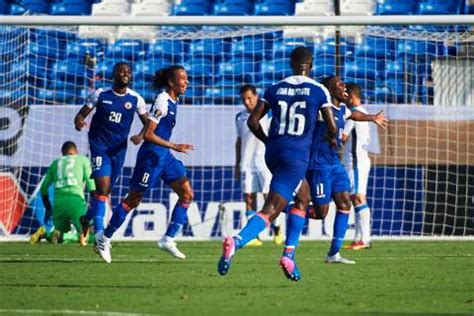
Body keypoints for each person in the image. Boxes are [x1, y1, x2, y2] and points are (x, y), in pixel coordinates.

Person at [217, 47, 339, 281]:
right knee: (271, 208)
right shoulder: (318, 90)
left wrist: (268, 140)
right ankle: (237, 240)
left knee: (303, 196)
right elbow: (332, 128)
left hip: (272, 153)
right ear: (310, 64)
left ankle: (289, 255)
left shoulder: (274, 88)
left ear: (291, 63)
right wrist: (326, 136)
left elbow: (253, 122)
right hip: (296, 156)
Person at [96, 65, 194, 264]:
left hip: (164, 158)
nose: (186, 82)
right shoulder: (162, 100)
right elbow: (151, 133)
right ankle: (104, 238)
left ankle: (168, 239)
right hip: (150, 159)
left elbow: (148, 128)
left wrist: (141, 136)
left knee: (187, 194)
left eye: (186, 78)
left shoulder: (173, 101)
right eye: (182, 78)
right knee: (132, 200)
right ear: (171, 82)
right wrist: (173, 145)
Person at [306, 76, 388, 264]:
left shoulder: (343, 109)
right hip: (318, 166)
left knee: (345, 204)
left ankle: (334, 253)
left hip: (335, 164)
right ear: (330, 90)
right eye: (339, 84)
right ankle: (287, 208)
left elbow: (353, 115)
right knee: (321, 213)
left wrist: (372, 118)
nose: (344, 86)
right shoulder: (320, 110)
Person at [73, 62, 148, 246]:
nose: (125, 74)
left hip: (118, 151)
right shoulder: (100, 94)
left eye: (128, 72)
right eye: (121, 71)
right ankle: (99, 235)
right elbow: (80, 115)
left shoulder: (136, 99)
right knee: (102, 189)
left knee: (105, 192)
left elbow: (149, 124)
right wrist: (79, 122)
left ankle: (86, 219)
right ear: (113, 74)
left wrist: (140, 136)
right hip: (99, 147)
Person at [235, 84, 283, 246]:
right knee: (248, 197)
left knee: (269, 198)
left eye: (249, 98)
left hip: (264, 163)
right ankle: (253, 236)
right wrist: (237, 164)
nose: (247, 102)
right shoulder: (239, 117)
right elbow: (239, 141)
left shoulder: (268, 115)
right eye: (243, 99)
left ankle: (277, 229)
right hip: (246, 164)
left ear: (256, 96)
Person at [30, 141, 96, 244]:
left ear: (62, 153)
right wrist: (95, 202)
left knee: (59, 237)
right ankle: (81, 236)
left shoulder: (56, 163)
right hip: (76, 202)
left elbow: (44, 187)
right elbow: (91, 183)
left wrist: (48, 207)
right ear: (76, 151)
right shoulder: (83, 160)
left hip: (59, 204)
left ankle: (47, 233)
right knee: (89, 235)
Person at [342, 83, 373, 250]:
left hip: (355, 162)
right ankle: (359, 238)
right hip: (360, 160)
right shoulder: (365, 112)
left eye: (345, 95)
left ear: (351, 96)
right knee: (356, 198)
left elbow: (343, 137)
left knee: (358, 198)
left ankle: (365, 239)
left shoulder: (354, 114)